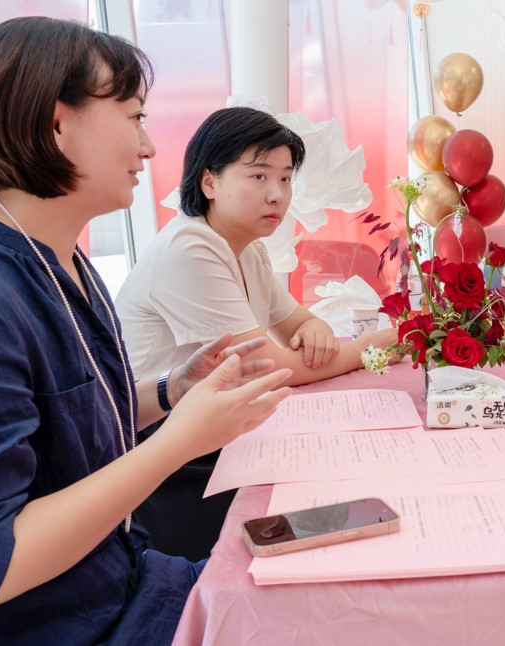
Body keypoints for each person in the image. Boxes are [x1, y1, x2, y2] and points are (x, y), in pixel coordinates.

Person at [0, 17, 293, 645]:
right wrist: (178, 441)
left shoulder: (60, 257)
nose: (149, 148)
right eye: (134, 117)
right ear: (56, 124)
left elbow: (69, 430)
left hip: (129, 581)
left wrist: (172, 390)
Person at [114, 106, 395, 559]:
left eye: (285, 179)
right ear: (209, 182)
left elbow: (298, 323)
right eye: (259, 176)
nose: (277, 195)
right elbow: (269, 366)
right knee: (313, 508)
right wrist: (373, 346)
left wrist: (318, 328)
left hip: (213, 427)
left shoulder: (247, 248)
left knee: (341, 477)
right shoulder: (190, 247)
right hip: (161, 448)